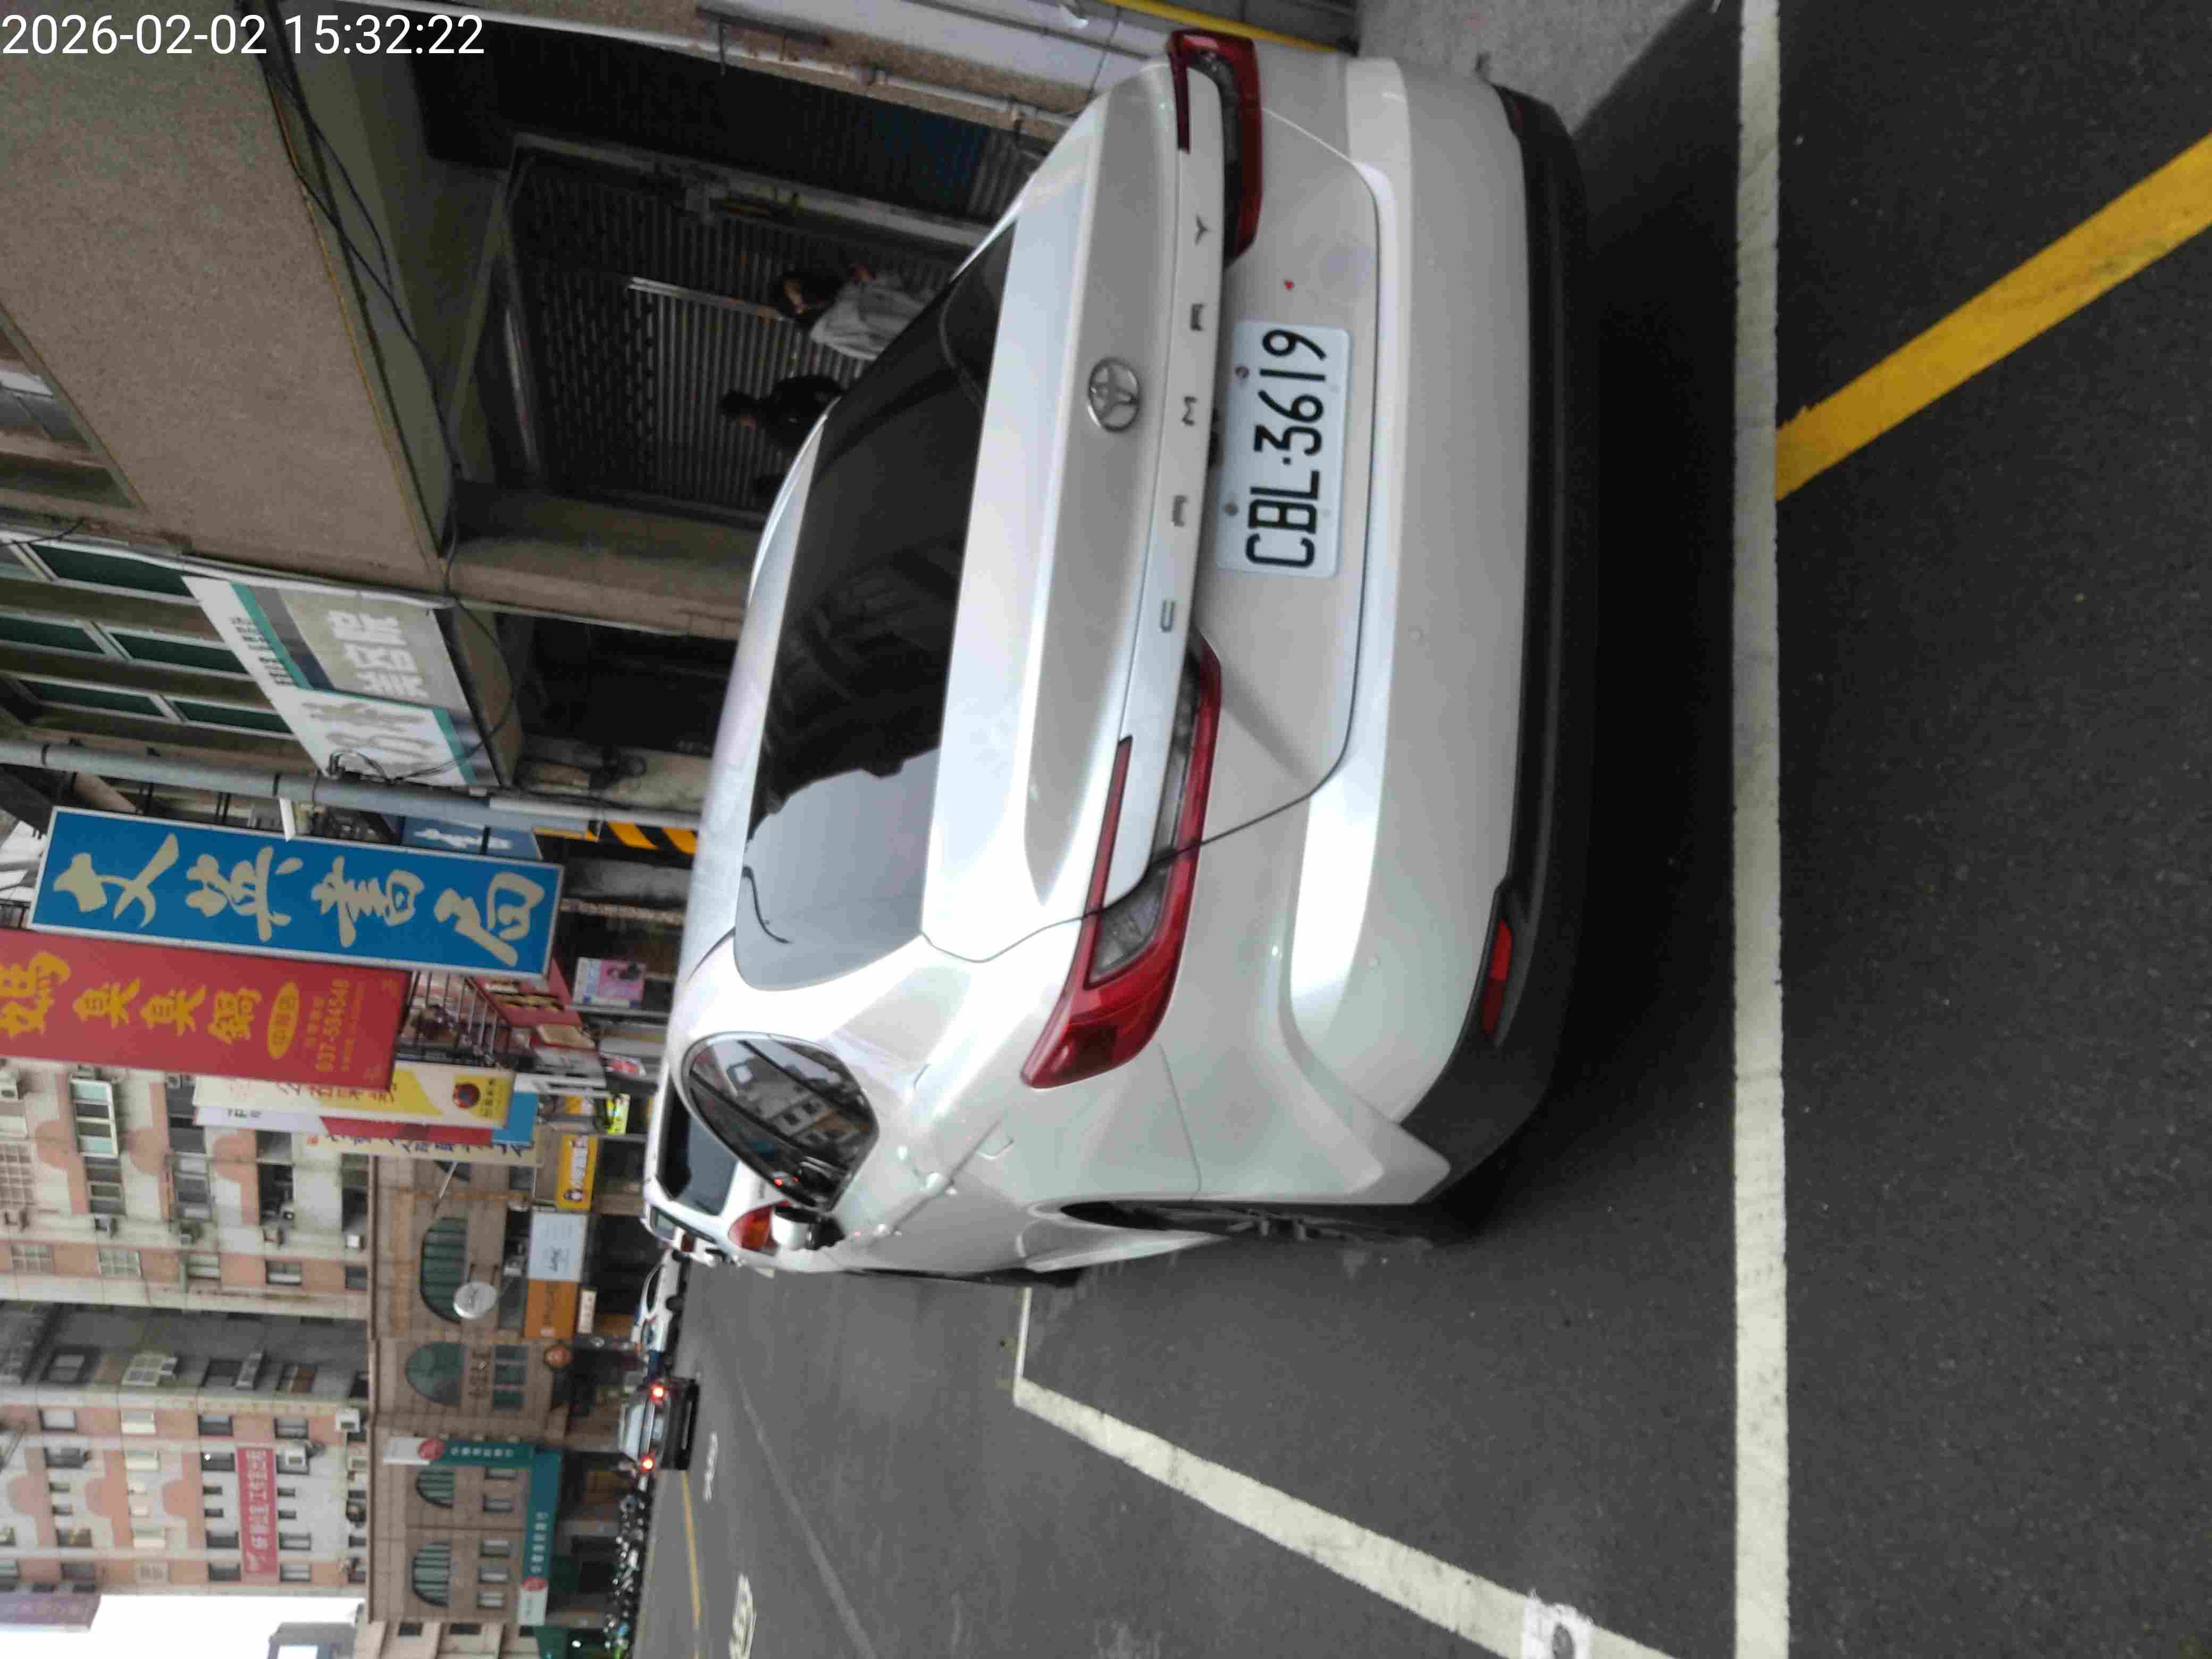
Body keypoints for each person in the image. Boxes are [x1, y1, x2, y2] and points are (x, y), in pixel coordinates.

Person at [773, 263, 929, 363]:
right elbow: (884, 353)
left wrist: (873, 280)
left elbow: (900, 291)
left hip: (930, 306)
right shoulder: (832, 330)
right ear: (798, 310)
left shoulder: (841, 290)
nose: (805, 289)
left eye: (800, 283)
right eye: (798, 291)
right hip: (927, 337)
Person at [717, 373, 846, 451]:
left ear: (744, 418)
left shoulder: (774, 434)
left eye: (742, 423)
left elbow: (810, 453)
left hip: (842, 440)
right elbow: (825, 383)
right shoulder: (783, 388)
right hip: (848, 409)